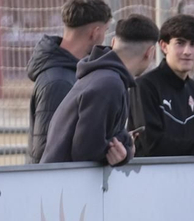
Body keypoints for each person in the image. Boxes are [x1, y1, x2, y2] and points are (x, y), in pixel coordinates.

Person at [38, 15, 158, 165]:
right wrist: (126, 147)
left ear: (113, 42)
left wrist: (121, 144)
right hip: (65, 178)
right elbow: (86, 151)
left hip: (59, 176)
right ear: (150, 52)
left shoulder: (103, 77)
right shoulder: (110, 84)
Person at [27, 0, 112, 161]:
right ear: (95, 33)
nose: (104, 38)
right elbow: (45, 150)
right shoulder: (58, 82)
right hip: (60, 178)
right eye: (105, 31)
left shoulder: (72, 72)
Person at [132, 14, 194, 158]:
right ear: (164, 46)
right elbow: (151, 145)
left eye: (193, 44)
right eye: (180, 43)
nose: (187, 51)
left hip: (191, 173)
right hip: (151, 172)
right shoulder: (145, 87)